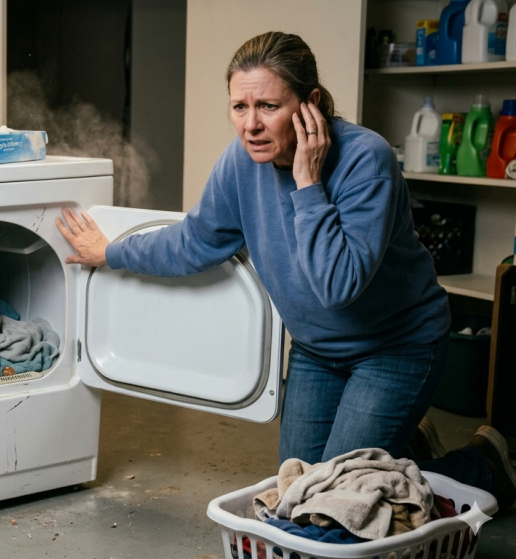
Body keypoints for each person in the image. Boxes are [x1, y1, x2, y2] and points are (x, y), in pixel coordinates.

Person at [55, 31, 516, 510]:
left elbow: (338, 286)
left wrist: (308, 182)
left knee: (340, 495)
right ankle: (401, 448)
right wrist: (111, 252)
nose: (250, 125)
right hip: (317, 353)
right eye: (239, 107)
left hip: (396, 349)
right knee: (300, 492)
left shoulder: (366, 160)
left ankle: (483, 463)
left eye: (268, 106)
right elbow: (195, 241)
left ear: (309, 103)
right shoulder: (239, 162)